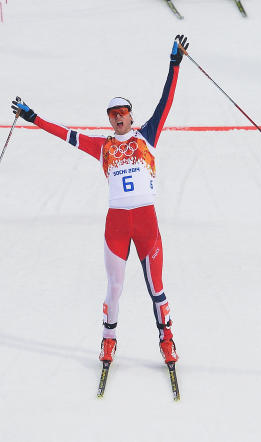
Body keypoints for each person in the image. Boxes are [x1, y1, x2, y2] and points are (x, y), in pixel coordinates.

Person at [10, 35, 190, 366]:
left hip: (146, 221)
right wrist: (33, 117)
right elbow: (67, 135)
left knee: (156, 287)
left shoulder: (147, 136)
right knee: (115, 287)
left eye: (122, 113)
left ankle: (166, 339)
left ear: (131, 116)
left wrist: (174, 63)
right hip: (117, 224)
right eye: (113, 114)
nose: (118, 118)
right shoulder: (103, 146)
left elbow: (166, 101)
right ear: (109, 120)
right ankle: (109, 340)